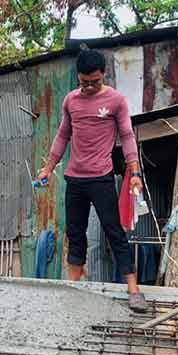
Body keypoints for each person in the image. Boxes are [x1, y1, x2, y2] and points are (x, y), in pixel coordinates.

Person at [37, 49, 149, 312]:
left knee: (114, 233)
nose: (88, 87)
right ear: (79, 77)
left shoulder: (116, 101)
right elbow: (63, 135)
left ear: (104, 75)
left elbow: (127, 135)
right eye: (84, 82)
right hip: (74, 179)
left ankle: (133, 290)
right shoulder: (70, 101)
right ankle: (74, 288)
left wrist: (134, 172)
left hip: (101, 178)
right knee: (75, 234)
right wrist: (48, 168)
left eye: (94, 82)